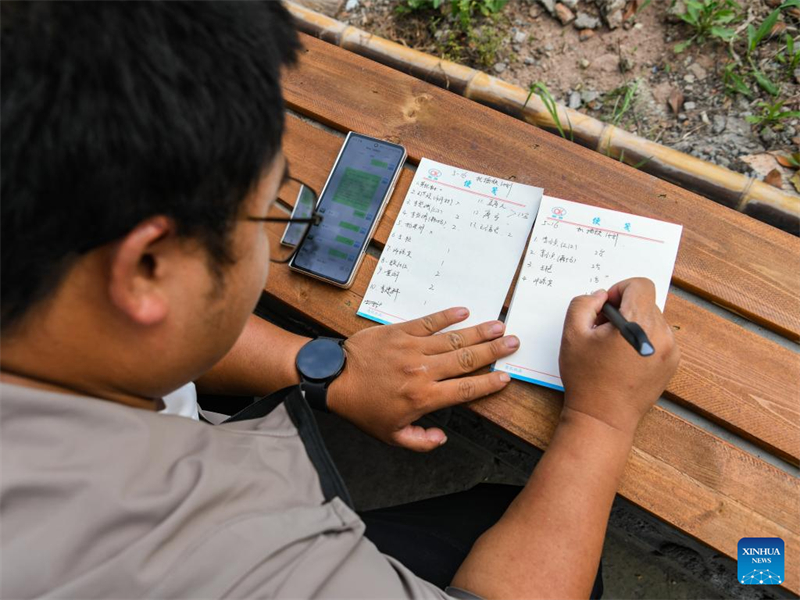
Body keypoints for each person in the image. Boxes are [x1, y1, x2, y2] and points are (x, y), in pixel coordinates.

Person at [0, 2, 680, 598]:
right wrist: (600, 419)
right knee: (526, 528)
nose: (280, 232)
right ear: (147, 267)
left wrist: (324, 365)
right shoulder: (207, 552)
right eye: (270, 211)